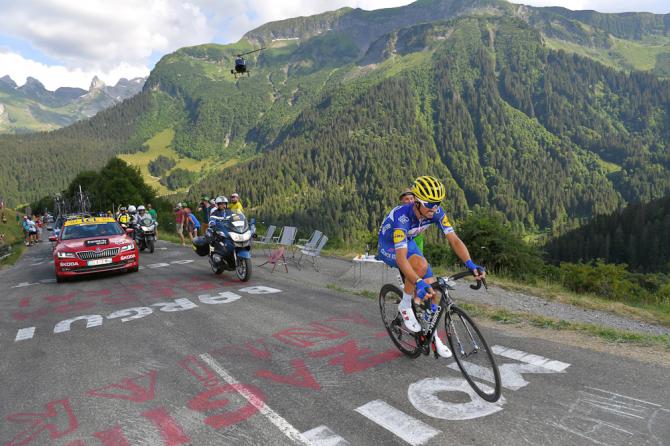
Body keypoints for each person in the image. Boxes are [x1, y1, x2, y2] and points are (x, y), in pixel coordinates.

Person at [377, 176, 486, 358]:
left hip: (408, 241)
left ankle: (432, 335)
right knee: (419, 266)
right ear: (417, 203)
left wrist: (470, 264)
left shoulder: (435, 212)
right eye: (430, 204)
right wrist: (417, 282)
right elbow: (402, 258)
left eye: (438, 203)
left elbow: (454, 239)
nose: (434, 208)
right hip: (388, 247)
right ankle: (405, 305)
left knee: (434, 290)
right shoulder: (402, 218)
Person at [399, 189, 424, 253]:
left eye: (411, 198)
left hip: (417, 238)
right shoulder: (398, 213)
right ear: (402, 200)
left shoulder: (419, 210)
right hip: (403, 240)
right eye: (407, 199)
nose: (410, 201)